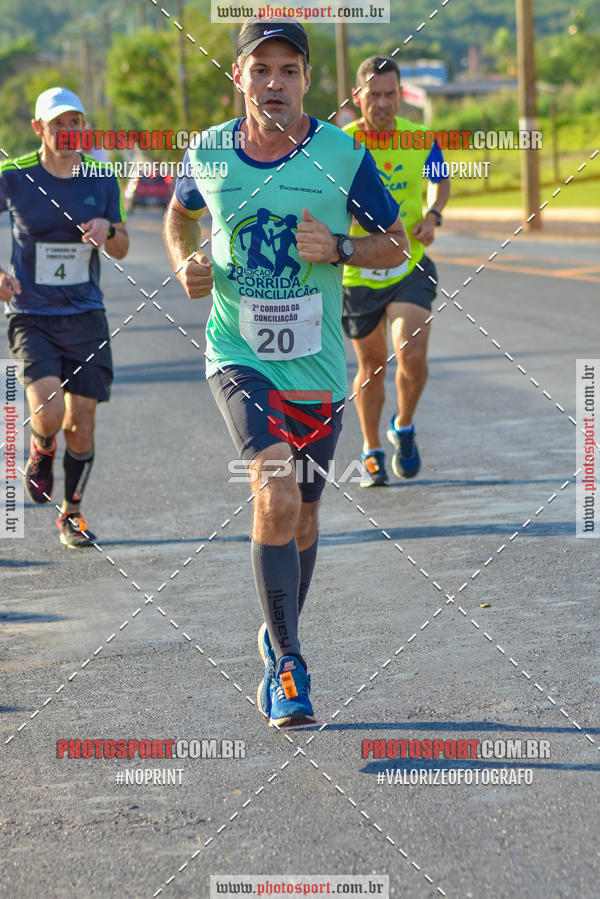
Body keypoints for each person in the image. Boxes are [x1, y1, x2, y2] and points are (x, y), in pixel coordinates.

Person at [164, 20, 409, 727]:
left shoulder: (344, 155)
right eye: (260, 68)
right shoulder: (207, 152)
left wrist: (339, 245)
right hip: (237, 355)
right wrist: (185, 263)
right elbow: (177, 219)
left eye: (289, 70)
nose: (275, 82)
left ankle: (276, 638)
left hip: (317, 366)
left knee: (303, 513)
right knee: (273, 491)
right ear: (238, 77)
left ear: (307, 80)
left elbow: (394, 243)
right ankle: (291, 663)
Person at [0, 87, 129, 546]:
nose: (70, 132)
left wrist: (107, 228)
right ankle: (41, 445)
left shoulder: (100, 177)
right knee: (50, 410)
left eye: (76, 123)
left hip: (85, 314)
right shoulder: (14, 176)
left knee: (83, 422)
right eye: (59, 125)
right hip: (31, 314)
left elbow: (123, 245)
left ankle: (72, 513)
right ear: (39, 129)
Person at [342, 56, 451, 486]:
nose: (383, 104)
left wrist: (434, 213)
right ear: (358, 97)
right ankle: (371, 449)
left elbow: (439, 180)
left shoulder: (421, 138)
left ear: (400, 95)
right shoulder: (342, 145)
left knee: (412, 354)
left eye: (391, 94)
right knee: (372, 367)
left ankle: (403, 426)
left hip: (410, 262)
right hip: (359, 272)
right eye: (374, 95)